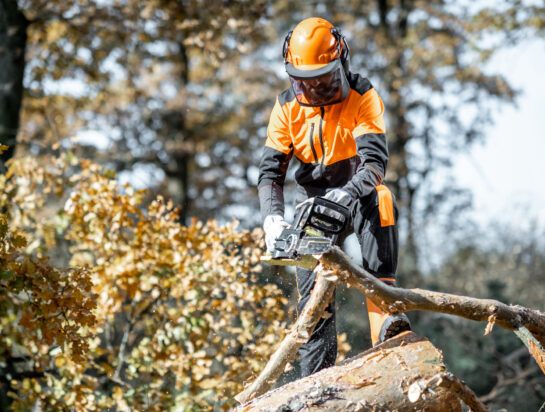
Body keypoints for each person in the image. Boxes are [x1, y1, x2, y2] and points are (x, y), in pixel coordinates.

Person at [257, 17, 411, 378]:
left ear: (340, 62)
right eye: (305, 82)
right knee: (314, 303)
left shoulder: (362, 95)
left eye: (324, 80)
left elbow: (374, 164)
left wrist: (346, 193)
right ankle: (316, 383)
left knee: (381, 200)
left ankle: (387, 318)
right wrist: (272, 218)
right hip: (311, 201)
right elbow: (270, 174)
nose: (314, 90)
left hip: (356, 192)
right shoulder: (285, 108)